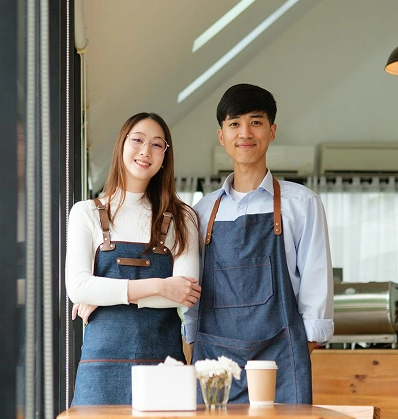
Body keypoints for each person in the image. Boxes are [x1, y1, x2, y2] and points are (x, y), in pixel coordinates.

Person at [183, 84, 334, 404]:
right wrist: (193, 346)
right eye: (234, 123)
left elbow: (316, 283)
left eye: (256, 121)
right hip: (214, 364)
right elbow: (192, 293)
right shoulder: (202, 212)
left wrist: (296, 349)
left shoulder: (302, 203)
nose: (245, 132)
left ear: (272, 130)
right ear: (221, 135)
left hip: (280, 358)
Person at [66, 112, 201, 405]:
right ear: (121, 145)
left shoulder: (182, 217)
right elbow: (77, 288)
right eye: (137, 140)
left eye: (156, 144)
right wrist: (160, 286)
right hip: (99, 369)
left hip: (163, 368)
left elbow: (184, 294)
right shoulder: (85, 212)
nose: (145, 151)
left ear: (165, 156)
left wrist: (105, 292)